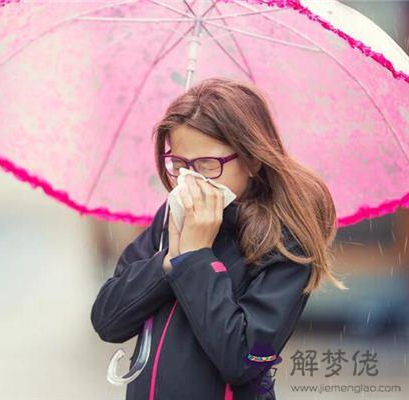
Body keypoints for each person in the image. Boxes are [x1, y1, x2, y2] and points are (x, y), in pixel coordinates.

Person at [90, 77, 347, 400]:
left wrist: (196, 257)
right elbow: (108, 320)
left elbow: (244, 359)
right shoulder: (173, 214)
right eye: (180, 164)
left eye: (208, 165)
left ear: (252, 159)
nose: (192, 178)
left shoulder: (285, 241)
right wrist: (167, 262)